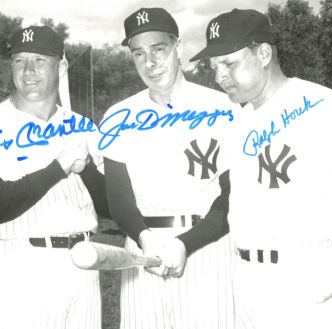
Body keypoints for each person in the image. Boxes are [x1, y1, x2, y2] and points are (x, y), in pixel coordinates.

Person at [190, 8, 332, 329]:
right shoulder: (236, 120)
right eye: (213, 66)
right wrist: (182, 243)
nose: (218, 76)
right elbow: (229, 201)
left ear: (264, 53)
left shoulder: (327, 107)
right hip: (247, 280)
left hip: (310, 279)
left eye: (228, 63)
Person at [0, 25, 109, 329]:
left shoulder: (83, 126)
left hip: (83, 263)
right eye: (19, 60)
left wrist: (89, 169)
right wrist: (57, 168)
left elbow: (109, 206)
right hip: (23, 268)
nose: (28, 70)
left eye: (40, 60)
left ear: (62, 66)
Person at [100, 7, 237, 329]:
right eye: (138, 53)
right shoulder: (120, 115)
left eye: (158, 49)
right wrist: (145, 239)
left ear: (179, 48)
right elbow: (118, 198)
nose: (150, 62)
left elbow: (234, 194)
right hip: (142, 250)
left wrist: (184, 243)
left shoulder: (223, 108)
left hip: (207, 248)